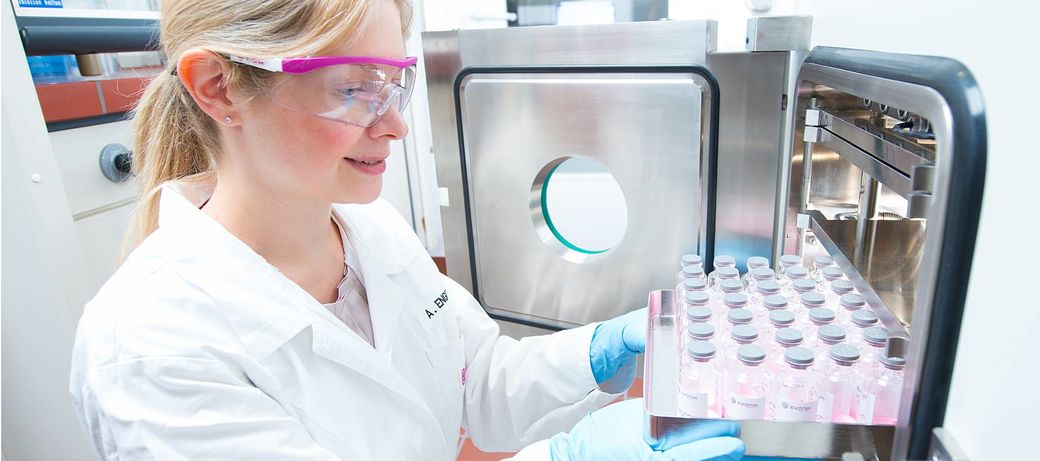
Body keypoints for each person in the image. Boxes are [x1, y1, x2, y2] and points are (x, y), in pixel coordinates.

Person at [68, 0, 747, 460]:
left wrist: (597, 350)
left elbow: (477, 378)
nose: (393, 123)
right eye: (349, 87)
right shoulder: (150, 348)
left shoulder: (371, 228)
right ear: (217, 87)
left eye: (393, 82)